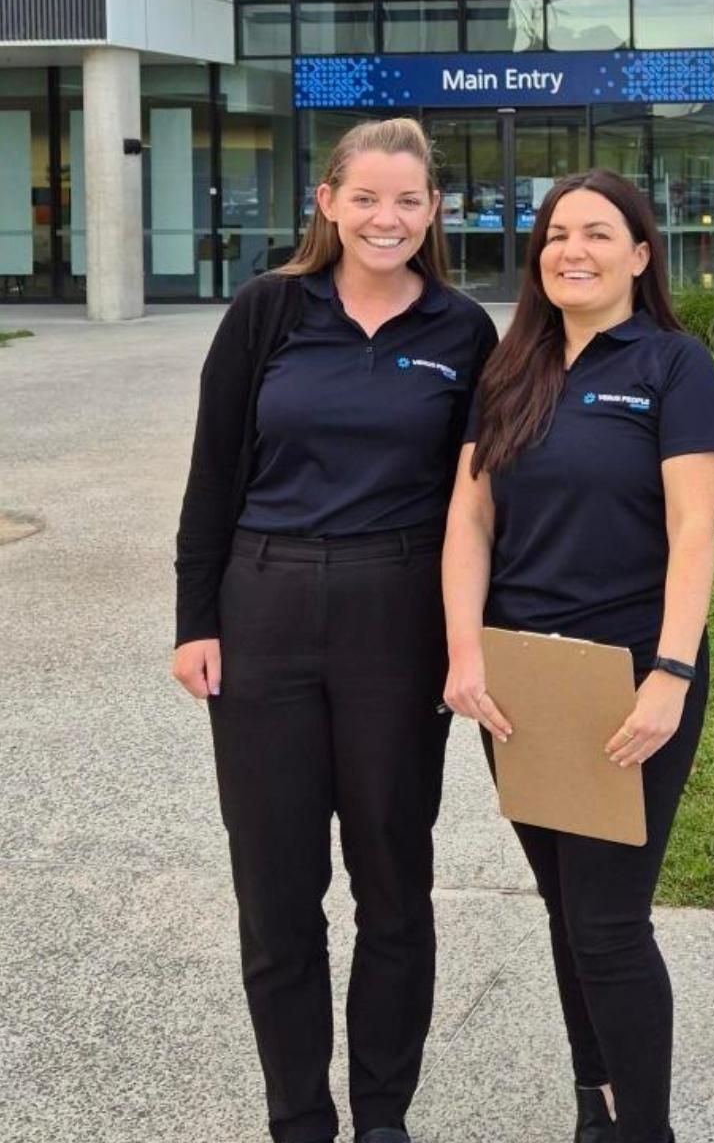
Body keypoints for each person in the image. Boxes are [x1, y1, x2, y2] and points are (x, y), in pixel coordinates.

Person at [172, 117, 497, 1143]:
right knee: (276, 889)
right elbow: (214, 471)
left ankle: (382, 1115)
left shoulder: (461, 332)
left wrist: (468, 642)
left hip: (396, 615)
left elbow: (477, 507)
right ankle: (299, 1118)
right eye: (365, 198)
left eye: (407, 200)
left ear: (433, 211)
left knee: (394, 880)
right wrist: (195, 620)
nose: (385, 218)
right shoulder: (268, 310)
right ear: (327, 201)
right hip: (262, 607)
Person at [441, 169, 714, 1143]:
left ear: (641, 255)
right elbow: (469, 521)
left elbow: (696, 532)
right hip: (524, 678)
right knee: (567, 911)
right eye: (558, 233)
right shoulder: (511, 371)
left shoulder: (674, 367)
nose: (574, 249)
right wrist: (465, 657)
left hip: (628, 678)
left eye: (599, 233)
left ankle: (642, 1129)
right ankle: (593, 1108)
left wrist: (671, 674)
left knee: (608, 922)